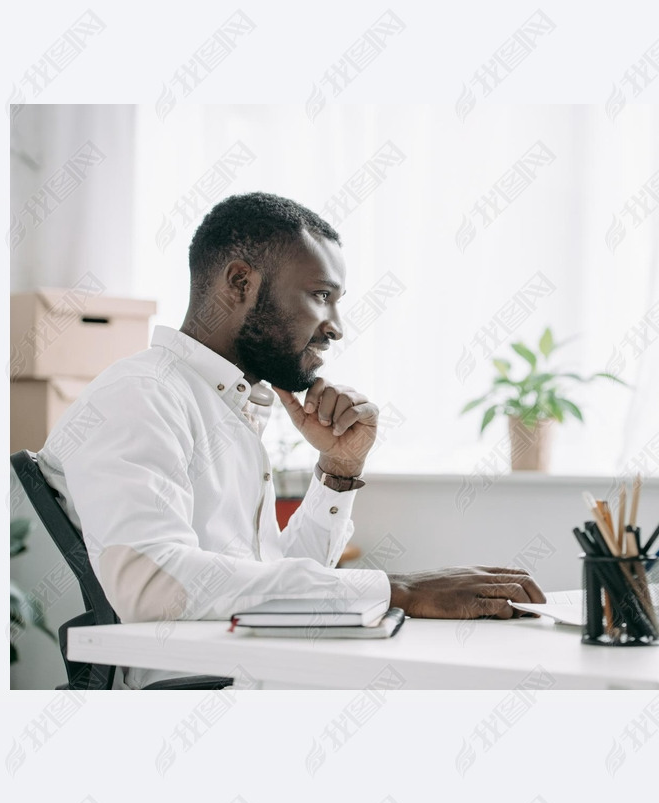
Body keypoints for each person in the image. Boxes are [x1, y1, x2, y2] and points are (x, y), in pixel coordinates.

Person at [37, 191, 545, 686]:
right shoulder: (143, 393)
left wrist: (338, 472)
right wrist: (398, 590)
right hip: (207, 696)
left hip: (258, 676)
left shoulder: (224, 406)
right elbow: (152, 585)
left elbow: (277, 580)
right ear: (240, 282)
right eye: (321, 295)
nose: (336, 327)